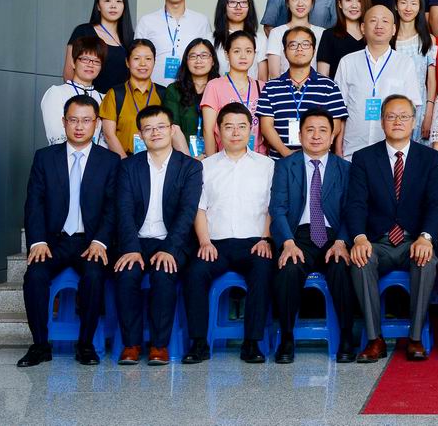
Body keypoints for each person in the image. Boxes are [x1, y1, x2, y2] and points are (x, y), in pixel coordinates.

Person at [18, 95, 120, 368]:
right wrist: (37, 241)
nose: (79, 126)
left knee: (94, 276)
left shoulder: (109, 161)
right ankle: (40, 345)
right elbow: (34, 203)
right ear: (64, 122)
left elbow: (112, 207)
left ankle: (85, 345)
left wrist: (100, 241)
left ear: (97, 124)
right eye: (73, 120)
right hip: (54, 241)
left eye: (86, 120)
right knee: (35, 276)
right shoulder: (44, 158)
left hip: (90, 241)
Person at [346, 95, 438, 362]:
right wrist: (359, 238)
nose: (397, 121)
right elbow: (356, 204)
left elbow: (436, 204)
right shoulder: (364, 158)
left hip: (414, 240)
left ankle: (415, 338)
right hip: (377, 241)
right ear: (382, 122)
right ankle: (374, 339)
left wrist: (426, 237)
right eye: (391, 116)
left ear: (414, 121)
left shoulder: (430, 158)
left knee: (427, 261)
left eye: (404, 116)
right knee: (360, 261)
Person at [181, 103, 275, 365]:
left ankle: (252, 343)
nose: (235, 133)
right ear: (218, 130)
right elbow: (199, 209)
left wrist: (266, 239)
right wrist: (204, 242)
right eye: (229, 127)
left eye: (241, 127)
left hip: (254, 243)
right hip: (216, 244)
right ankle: (199, 343)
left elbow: (273, 207)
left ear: (251, 129)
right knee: (195, 272)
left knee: (263, 270)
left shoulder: (267, 165)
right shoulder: (205, 166)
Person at [112, 105, 202, 366]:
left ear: (172, 130)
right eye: (148, 129)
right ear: (140, 134)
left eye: (161, 127)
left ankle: (159, 346)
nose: (155, 133)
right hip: (136, 240)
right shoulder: (129, 166)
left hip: (172, 241)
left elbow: (187, 212)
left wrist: (170, 249)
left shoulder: (190, 167)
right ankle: (131, 344)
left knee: (163, 274)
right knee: (126, 273)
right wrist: (130, 247)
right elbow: (124, 210)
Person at [268, 109, 356, 364]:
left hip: (333, 236)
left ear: (332, 136)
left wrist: (342, 241)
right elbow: (278, 209)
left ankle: (347, 336)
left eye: (323, 130)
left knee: (341, 267)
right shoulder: (285, 166)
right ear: (300, 135)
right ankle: (286, 337)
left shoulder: (345, 168)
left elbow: (352, 210)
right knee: (288, 268)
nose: (316, 136)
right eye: (310, 130)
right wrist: (287, 243)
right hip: (298, 236)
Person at [335, 4, 421, 158]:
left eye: (385, 21)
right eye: (373, 20)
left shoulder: (405, 63)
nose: (379, 26)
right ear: (363, 27)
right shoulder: (347, 62)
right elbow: (340, 110)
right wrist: (338, 147)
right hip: (352, 150)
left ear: (394, 29)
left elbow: (411, 109)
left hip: (392, 153)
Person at [258, 27, 347, 160]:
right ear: (285, 52)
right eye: (293, 45)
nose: (299, 49)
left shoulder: (329, 86)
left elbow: (336, 125)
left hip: (318, 161)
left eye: (305, 44)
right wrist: (287, 154)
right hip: (280, 161)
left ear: (314, 50)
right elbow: (266, 127)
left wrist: (313, 153)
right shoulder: (271, 87)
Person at [134, 0, 212, 86]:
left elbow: (208, 58)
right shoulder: (146, 21)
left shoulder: (201, 21)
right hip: (154, 90)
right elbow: (135, 57)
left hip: (190, 90)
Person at [200, 31, 268, 156]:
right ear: (227, 55)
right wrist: (211, 162)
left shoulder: (262, 87)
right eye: (237, 51)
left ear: (254, 54)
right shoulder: (214, 86)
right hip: (225, 158)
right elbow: (208, 130)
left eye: (248, 51)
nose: (243, 56)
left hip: (258, 158)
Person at [99, 39, 164, 158]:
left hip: (157, 161)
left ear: (154, 62)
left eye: (148, 59)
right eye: (137, 58)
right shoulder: (115, 94)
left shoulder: (163, 94)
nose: (143, 64)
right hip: (123, 160)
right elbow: (109, 134)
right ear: (127, 62)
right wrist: (126, 163)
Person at [66, 0, 131, 93]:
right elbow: (68, 74)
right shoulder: (83, 31)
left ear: (124, 6)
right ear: (98, 6)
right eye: (107, 1)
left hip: (119, 101)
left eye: (119, 1)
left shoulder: (131, 37)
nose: (113, 5)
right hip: (88, 99)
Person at [393, 0, 438, 144]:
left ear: (420, 7)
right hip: (393, 106)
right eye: (403, 2)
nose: (408, 8)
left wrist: (429, 113)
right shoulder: (389, 39)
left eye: (413, 3)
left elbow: (431, 80)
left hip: (420, 107)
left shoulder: (428, 40)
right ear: (396, 6)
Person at [42, 36, 106, 145]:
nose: (90, 65)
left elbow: (105, 140)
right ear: (73, 62)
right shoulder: (56, 93)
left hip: (98, 156)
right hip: (64, 155)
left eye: (96, 61)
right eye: (85, 59)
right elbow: (57, 138)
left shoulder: (104, 98)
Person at [163, 37, 218, 157]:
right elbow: (174, 128)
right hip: (183, 157)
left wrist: (211, 158)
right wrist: (189, 161)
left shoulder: (220, 88)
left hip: (218, 157)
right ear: (186, 61)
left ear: (213, 60)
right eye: (193, 56)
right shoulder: (174, 90)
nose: (198, 60)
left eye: (204, 55)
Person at [265, 0, 327, 79]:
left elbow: (323, 74)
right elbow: (274, 75)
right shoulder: (276, 33)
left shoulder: (323, 33)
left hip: (315, 87)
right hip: (284, 87)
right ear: (287, 3)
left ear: (312, 2)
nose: (300, 4)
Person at [211, 0, 268, 81]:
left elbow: (262, 79)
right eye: (232, 2)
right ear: (223, 5)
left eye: (244, 2)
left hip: (251, 91)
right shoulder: (210, 39)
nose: (238, 7)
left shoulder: (260, 39)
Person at [315, 0, 370, 79]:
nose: (354, 5)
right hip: (337, 88)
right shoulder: (329, 35)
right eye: (348, 0)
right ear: (340, 3)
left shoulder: (373, 35)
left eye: (359, 0)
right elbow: (323, 76)